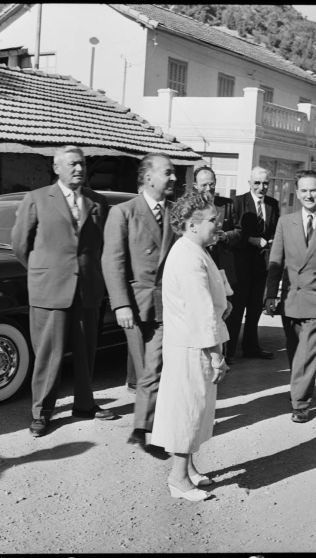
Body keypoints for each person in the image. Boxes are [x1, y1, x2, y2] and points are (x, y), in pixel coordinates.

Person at [11, 145, 119, 437]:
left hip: (87, 289)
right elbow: (21, 245)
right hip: (50, 290)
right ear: (56, 167)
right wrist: (44, 272)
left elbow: (103, 247)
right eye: (72, 164)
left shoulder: (98, 202)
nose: (79, 169)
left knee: (87, 352)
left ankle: (85, 404)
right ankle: (42, 413)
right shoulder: (37, 199)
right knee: (49, 355)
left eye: (82, 164)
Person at [151, 191, 232, 501]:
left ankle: (190, 469)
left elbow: (208, 299)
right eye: (213, 220)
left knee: (196, 410)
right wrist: (216, 356)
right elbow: (200, 312)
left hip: (191, 343)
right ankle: (178, 479)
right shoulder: (187, 256)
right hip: (192, 347)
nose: (218, 225)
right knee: (187, 411)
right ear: (192, 224)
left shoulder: (196, 249)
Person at [101, 152, 177, 458]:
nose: (174, 178)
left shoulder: (176, 212)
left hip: (168, 304)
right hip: (136, 304)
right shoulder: (123, 212)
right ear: (148, 177)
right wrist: (120, 305)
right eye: (168, 173)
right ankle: (146, 428)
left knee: (155, 367)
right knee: (149, 368)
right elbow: (112, 262)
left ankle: (146, 429)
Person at [265, 170, 316, 423]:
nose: (310, 195)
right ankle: (300, 388)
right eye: (304, 190)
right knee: (296, 352)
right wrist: (270, 295)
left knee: (308, 354)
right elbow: (276, 261)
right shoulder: (286, 222)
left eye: (314, 190)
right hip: (291, 299)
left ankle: (301, 403)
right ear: (297, 193)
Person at [226, 166, 280, 361]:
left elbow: (274, 231)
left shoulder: (273, 204)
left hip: (261, 266)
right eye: (257, 183)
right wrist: (252, 240)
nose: (261, 187)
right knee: (236, 310)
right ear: (249, 183)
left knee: (255, 309)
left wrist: (273, 242)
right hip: (240, 265)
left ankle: (251, 347)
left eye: (265, 183)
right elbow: (233, 231)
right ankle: (229, 352)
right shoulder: (238, 202)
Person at [192, 166, 241, 294]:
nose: (209, 189)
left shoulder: (228, 205)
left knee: (226, 308)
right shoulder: (190, 208)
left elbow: (239, 232)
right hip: (200, 265)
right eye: (204, 185)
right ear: (195, 185)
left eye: (211, 184)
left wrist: (225, 235)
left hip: (223, 266)